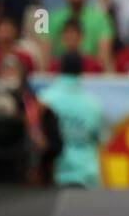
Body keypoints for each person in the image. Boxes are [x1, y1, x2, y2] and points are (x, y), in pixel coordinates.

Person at [39, 51, 105, 187]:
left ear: (59, 68)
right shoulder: (93, 104)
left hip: (54, 175)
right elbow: (102, 138)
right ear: (81, 71)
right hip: (86, 175)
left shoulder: (44, 99)